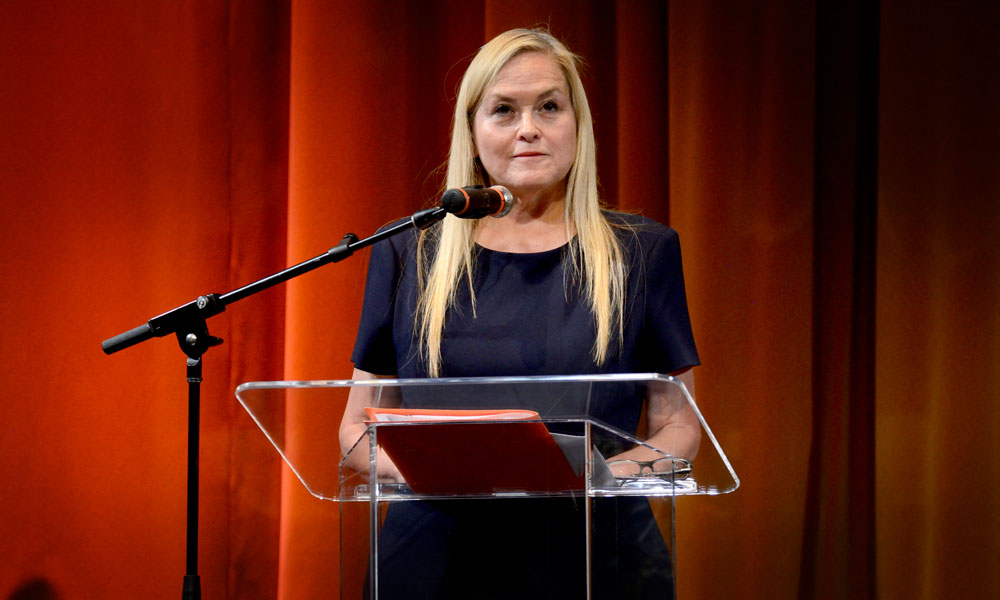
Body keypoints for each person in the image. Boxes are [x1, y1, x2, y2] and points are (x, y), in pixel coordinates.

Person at [339, 28, 700, 599]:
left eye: (549, 107)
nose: (528, 128)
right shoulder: (407, 252)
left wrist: (595, 478)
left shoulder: (642, 252)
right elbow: (355, 433)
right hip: (434, 562)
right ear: (472, 130)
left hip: (596, 555)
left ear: (577, 124)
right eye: (504, 110)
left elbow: (678, 428)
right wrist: (453, 475)